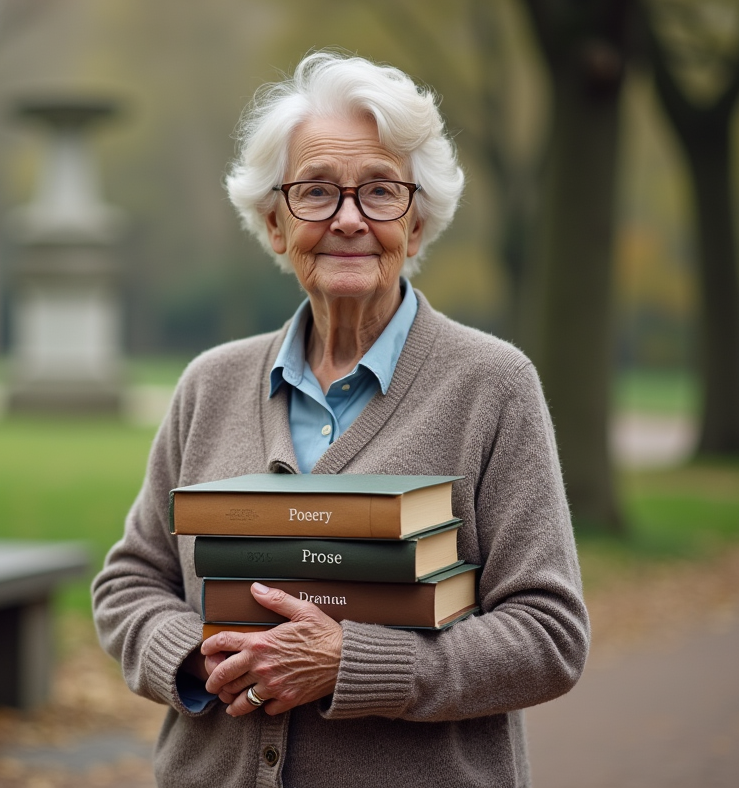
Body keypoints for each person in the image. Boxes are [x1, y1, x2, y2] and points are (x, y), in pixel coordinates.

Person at [92, 52, 588, 788]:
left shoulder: (494, 385)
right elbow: (130, 580)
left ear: (417, 226)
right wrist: (196, 654)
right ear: (273, 224)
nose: (349, 219)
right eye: (316, 192)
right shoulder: (211, 383)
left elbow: (548, 634)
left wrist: (351, 666)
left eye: (381, 192)